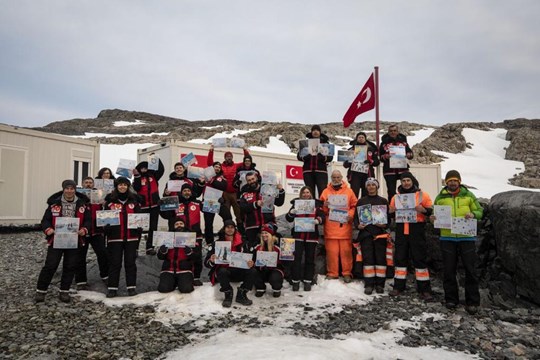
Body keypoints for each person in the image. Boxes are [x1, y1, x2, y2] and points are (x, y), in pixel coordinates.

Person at [431, 170, 483, 314]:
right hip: (447, 238)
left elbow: (480, 211)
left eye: (455, 180)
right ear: (446, 182)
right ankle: (451, 299)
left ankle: (472, 302)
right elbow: (434, 213)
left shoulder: (469, 195)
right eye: (450, 181)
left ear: (459, 182)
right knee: (448, 270)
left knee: (470, 270)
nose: (452, 183)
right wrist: (433, 218)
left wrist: (473, 214)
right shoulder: (440, 197)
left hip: (466, 237)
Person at [35, 180, 91, 303]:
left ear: (75, 190)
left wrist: (84, 229)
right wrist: (48, 229)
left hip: (74, 239)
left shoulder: (83, 204)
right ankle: (41, 290)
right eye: (67, 188)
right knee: (50, 265)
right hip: (56, 239)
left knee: (70, 265)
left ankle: (64, 291)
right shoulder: (54, 204)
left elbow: (88, 220)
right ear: (63, 189)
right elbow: (45, 220)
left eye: (72, 189)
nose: (69, 191)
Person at [388, 172, 433, 300]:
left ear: (413, 181)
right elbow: (390, 213)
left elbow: (431, 210)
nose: (406, 183)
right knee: (400, 258)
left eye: (408, 180)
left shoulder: (422, 195)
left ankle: (424, 289)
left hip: (416, 229)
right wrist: (391, 211)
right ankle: (398, 287)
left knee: (419, 259)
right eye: (403, 181)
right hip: (401, 229)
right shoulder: (396, 197)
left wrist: (423, 210)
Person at [103, 177, 142, 298]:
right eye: (120, 185)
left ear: (128, 187)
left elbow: (140, 219)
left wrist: (139, 228)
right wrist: (107, 227)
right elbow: (104, 219)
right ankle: (112, 288)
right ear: (116, 186)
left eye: (125, 185)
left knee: (130, 263)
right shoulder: (110, 202)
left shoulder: (134, 202)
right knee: (115, 263)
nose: (122, 187)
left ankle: (131, 288)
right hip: (115, 238)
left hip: (131, 238)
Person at [204, 220, 257, 307]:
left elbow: (251, 258)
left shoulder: (243, 243)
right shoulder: (217, 243)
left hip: (239, 270)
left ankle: (242, 294)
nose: (230, 229)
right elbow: (206, 263)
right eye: (227, 227)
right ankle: (228, 294)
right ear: (224, 229)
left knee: (253, 271)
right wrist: (211, 260)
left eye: (232, 227)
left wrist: (251, 263)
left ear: (235, 229)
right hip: (225, 272)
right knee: (222, 271)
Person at [320, 170, 358, 283]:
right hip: (331, 228)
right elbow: (321, 210)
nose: (336, 179)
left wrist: (350, 215)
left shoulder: (349, 191)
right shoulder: (325, 192)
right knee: (331, 252)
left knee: (346, 253)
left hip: (345, 227)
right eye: (334, 177)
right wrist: (324, 206)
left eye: (338, 177)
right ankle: (332, 273)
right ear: (331, 178)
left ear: (341, 178)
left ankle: (347, 273)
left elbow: (354, 206)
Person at [353, 178, 389, 294]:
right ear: (366, 187)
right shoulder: (361, 201)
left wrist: (385, 224)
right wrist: (358, 225)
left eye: (373, 185)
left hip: (380, 235)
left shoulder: (383, 201)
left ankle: (380, 284)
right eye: (369, 185)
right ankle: (368, 284)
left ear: (377, 187)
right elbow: (355, 218)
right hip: (366, 234)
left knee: (380, 260)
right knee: (368, 260)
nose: (371, 187)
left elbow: (389, 219)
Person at [285, 185, 324, 291]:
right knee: (296, 258)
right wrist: (291, 213)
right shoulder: (296, 204)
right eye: (304, 193)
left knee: (310, 258)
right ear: (301, 194)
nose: (306, 194)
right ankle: (295, 281)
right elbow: (288, 219)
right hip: (298, 235)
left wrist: (318, 220)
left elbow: (323, 216)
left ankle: (308, 280)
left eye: (307, 192)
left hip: (311, 236)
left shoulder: (316, 204)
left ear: (310, 193)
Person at [75, 176, 109, 290]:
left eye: (90, 182)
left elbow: (105, 210)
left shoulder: (98, 195)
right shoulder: (77, 197)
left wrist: (105, 203)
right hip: (82, 232)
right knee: (80, 257)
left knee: (103, 254)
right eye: (86, 182)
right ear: (82, 184)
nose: (88, 184)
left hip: (97, 231)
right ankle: (81, 281)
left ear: (93, 184)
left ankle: (105, 276)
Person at [239, 171, 286, 251]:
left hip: (268, 224)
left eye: (253, 179)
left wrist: (281, 191)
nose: (251, 181)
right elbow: (243, 208)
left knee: (269, 248)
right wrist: (255, 204)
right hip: (252, 226)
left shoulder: (268, 189)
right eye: (249, 180)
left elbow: (279, 203)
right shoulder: (244, 194)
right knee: (253, 249)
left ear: (257, 178)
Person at [207, 144, 250, 226]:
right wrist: (211, 151)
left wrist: (245, 150)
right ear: (225, 157)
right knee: (226, 215)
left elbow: (247, 161)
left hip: (235, 193)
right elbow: (210, 164)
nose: (229, 157)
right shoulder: (221, 167)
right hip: (224, 194)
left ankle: (241, 232)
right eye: (227, 156)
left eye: (230, 156)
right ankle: (227, 230)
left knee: (239, 214)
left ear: (232, 157)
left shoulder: (236, 166)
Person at [172, 183, 204, 286]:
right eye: (184, 191)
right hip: (180, 235)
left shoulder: (197, 203)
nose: (186, 192)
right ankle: (182, 278)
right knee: (182, 256)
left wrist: (219, 202)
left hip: (196, 235)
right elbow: (166, 214)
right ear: (181, 192)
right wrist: (160, 205)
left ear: (191, 192)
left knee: (197, 258)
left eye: (188, 191)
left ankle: (196, 277)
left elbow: (212, 208)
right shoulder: (176, 204)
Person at [156, 217, 198, 294]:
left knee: (186, 289)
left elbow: (196, 257)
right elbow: (160, 257)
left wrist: (190, 252)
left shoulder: (191, 238)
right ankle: (173, 282)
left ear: (184, 225)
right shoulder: (167, 238)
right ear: (173, 226)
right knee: (163, 289)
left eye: (181, 223)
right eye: (177, 224)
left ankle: (182, 282)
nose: (179, 225)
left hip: (185, 269)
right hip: (168, 269)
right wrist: (162, 251)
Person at [133, 157, 165, 255]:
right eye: (142, 168)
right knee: (138, 228)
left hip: (155, 206)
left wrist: (156, 158)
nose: (144, 169)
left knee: (153, 227)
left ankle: (150, 247)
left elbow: (161, 170)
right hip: (142, 207)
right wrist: (137, 176)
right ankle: (135, 248)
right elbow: (137, 188)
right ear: (139, 169)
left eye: (145, 168)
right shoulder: (136, 179)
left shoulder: (154, 176)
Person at [379, 125, 413, 201]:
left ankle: (408, 206)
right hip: (389, 170)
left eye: (394, 130)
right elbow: (380, 157)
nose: (393, 132)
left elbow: (410, 153)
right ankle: (392, 209)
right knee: (391, 191)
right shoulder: (384, 143)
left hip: (403, 169)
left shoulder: (404, 142)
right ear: (388, 132)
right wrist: (385, 156)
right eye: (391, 131)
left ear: (397, 132)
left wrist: (409, 154)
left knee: (410, 187)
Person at [297, 125, 333, 198]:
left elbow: (330, 158)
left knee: (322, 191)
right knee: (309, 192)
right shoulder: (305, 143)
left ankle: (321, 209)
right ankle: (311, 208)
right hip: (308, 171)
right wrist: (307, 157)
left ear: (320, 132)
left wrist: (322, 157)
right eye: (314, 130)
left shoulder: (325, 143)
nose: (315, 132)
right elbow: (299, 156)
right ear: (311, 132)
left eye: (317, 130)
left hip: (321, 171)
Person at [343, 132, 380, 198]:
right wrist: (350, 161)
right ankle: (354, 207)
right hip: (355, 175)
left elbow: (377, 162)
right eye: (359, 137)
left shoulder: (371, 150)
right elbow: (345, 165)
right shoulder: (351, 150)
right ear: (356, 139)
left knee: (366, 194)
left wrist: (370, 161)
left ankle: (364, 207)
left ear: (365, 139)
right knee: (354, 193)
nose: (361, 139)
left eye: (362, 137)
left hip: (367, 174)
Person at [202, 161, 231, 245]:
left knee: (228, 218)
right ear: (212, 168)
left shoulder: (221, 177)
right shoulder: (205, 177)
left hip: (219, 202)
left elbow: (223, 186)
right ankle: (209, 242)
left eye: (219, 167)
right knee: (208, 223)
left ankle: (222, 236)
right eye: (216, 167)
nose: (217, 168)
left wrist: (212, 180)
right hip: (209, 202)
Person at [253, 224, 285, 298]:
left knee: (275, 277)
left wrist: (289, 256)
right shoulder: (257, 246)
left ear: (271, 234)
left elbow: (285, 261)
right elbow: (252, 258)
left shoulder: (278, 246)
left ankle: (276, 289)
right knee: (253, 272)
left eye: (266, 233)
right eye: (262, 233)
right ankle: (260, 288)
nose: (264, 235)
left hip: (275, 269)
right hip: (262, 269)